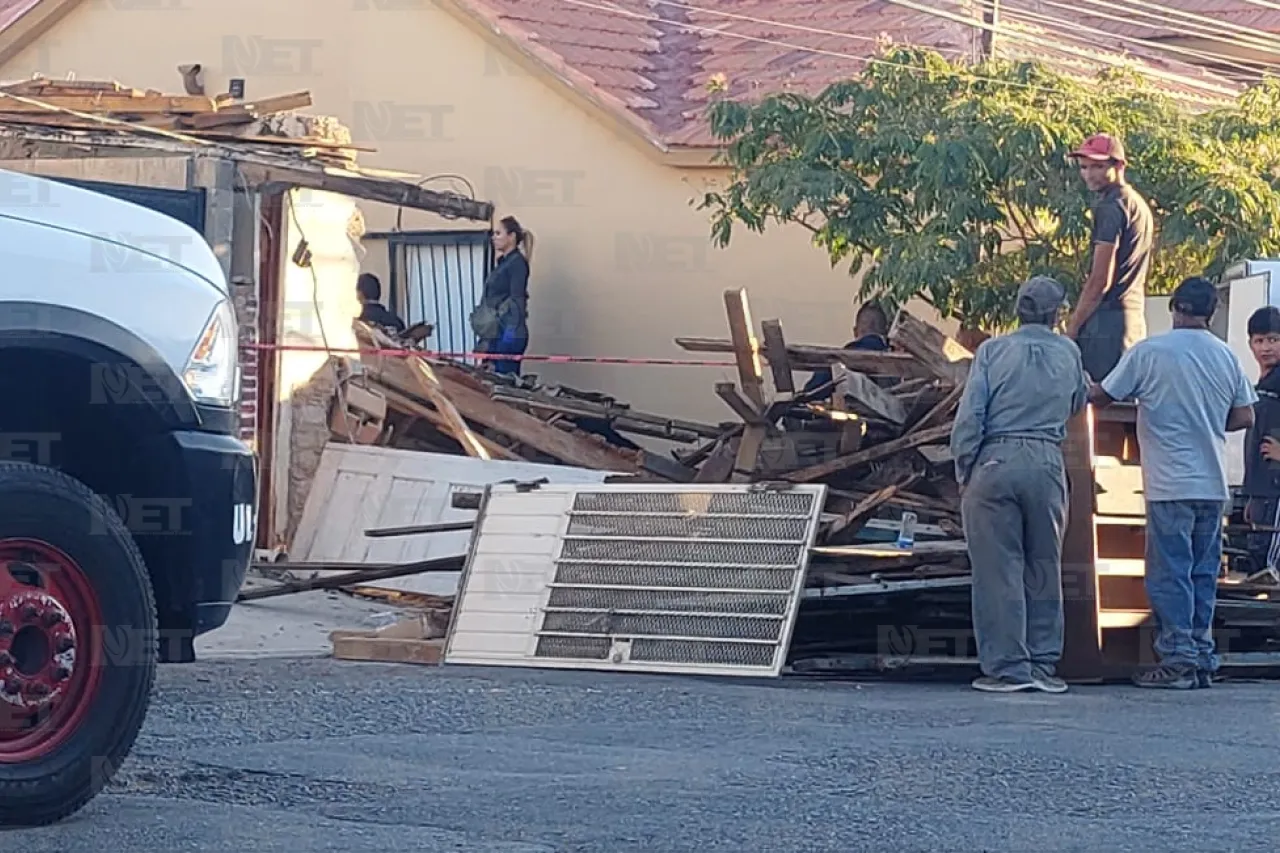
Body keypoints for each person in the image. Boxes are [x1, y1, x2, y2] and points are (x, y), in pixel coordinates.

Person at [1089, 277, 1256, 689]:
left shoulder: (1150, 352)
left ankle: (1178, 659)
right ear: (1211, 313)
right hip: (1212, 483)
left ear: (1174, 308)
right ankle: (1201, 656)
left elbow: (1102, 396)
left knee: (1170, 573)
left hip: (1170, 483)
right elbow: (1245, 417)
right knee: (1202, 572)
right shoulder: (1226, 356)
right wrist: (1206, 421)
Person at [950, 276, 1088, 694]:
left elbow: (971, 416)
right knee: (1044, 564)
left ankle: (1009, 667)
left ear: (1017, 309)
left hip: (996, 457)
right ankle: (1044, 663)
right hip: (1047, 459)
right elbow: (1078, 402)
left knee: (998, 568)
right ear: (1056, 312)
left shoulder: (993, 351)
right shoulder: (1069, 351)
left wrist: (965, 467)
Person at [1064, 133, 1154, 382]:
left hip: (1107, 326)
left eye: (1098, 166)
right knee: (1126, 410)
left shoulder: (1111, 206)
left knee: (1094, 407)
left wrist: (1072, 329)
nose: (1089, 174)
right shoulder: (1137, 204)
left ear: (1119, 166)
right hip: (1133, 321)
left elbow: (1100, 280)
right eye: (1084, 167)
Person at [1241, 306, 1280, 575]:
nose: (1266, 347)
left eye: (1274, 339)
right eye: (1259, 340)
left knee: (1270, 568)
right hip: (1260, 488)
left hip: (1276, 492)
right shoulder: (1263, 382)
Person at [471, 215, 532, 376]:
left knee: (504, 380)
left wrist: (510, 334)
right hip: (496, 332)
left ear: (511, 237)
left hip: (508, 331)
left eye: (498, 233)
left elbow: (517, 298)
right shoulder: (504, 263)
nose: (494, 237)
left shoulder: (517, 263)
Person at [802, 302, 890, 395]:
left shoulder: (843, 357)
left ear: (855, 331)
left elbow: (812, 390)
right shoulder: (895, 360)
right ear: (886, 331)